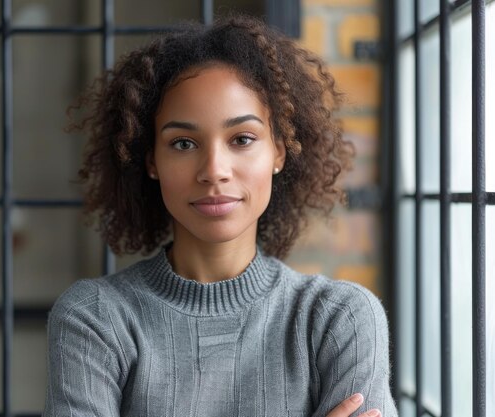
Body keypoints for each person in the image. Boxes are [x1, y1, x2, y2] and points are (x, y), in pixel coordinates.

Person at [43, 14, 397, 417]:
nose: (214, 169)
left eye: (242, 139)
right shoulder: (94, 319)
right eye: (183, 143)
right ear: (151, 161)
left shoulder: (339, 318)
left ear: (279, 152)